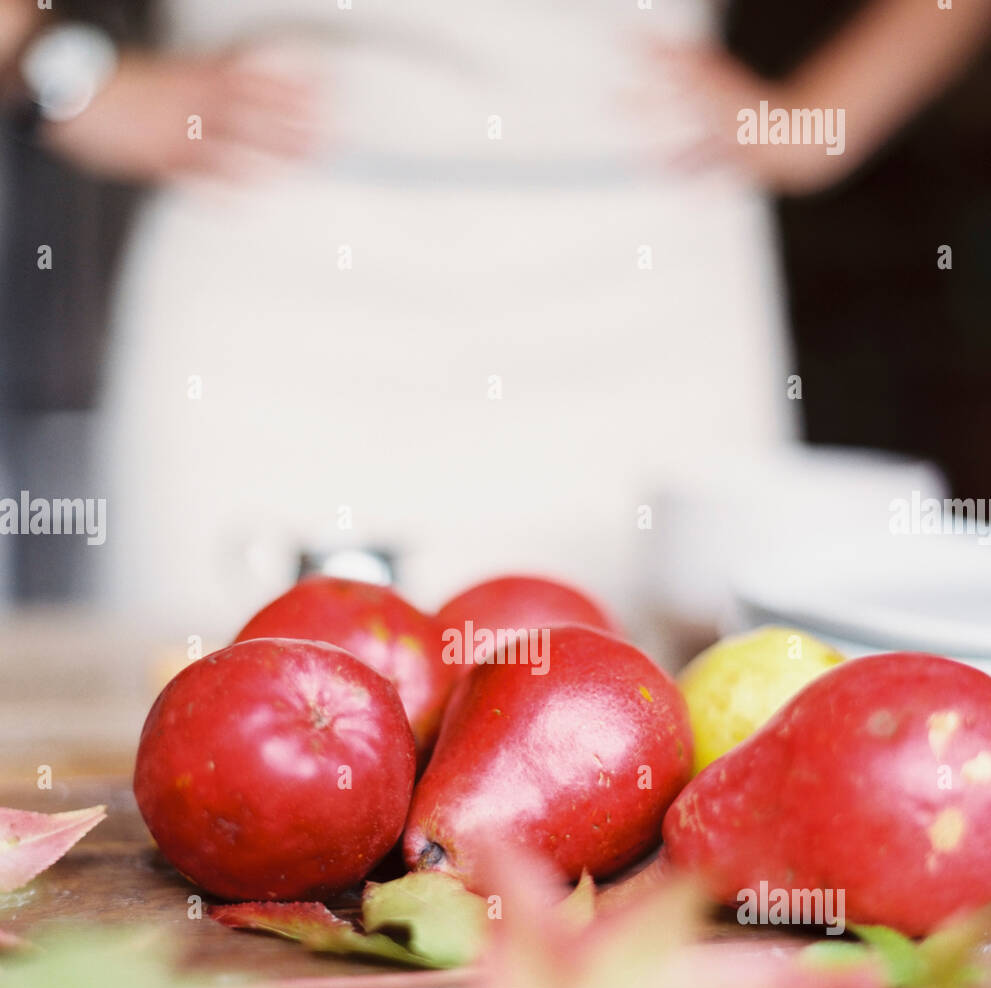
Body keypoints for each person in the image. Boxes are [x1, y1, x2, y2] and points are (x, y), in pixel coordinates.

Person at [2, 1, 988, 622]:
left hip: (652, 282)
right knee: (203, 757)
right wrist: (67, 82)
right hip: (275, 259)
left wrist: (818, 124)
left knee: (674, 784)